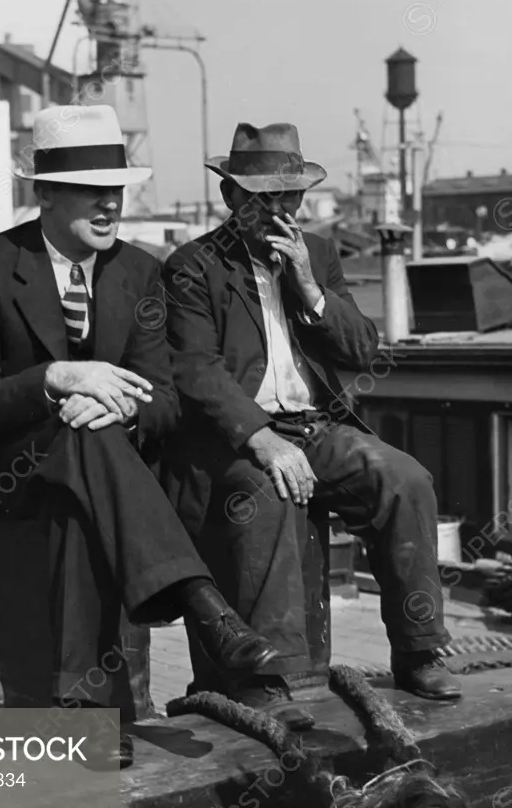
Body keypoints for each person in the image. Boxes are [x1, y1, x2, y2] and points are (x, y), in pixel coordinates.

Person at [0, 105, 279, 769]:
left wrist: (112, 409)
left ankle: (86, 715)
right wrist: (57, 379)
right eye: (92, 190)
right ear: (47, 194)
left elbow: (165, 401)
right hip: (8, 464)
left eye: (116, 190)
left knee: (89, 460)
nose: (110, 205)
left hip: (99, 467)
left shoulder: (140, 274)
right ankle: (205, 607)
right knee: (81, 443)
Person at [163, 120, 461, 720]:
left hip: (315, 427)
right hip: (238, 438)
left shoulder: (318, 255)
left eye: (289, 196)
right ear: (231, 197)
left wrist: (307, 287)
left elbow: (361, 351)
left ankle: (420, 649)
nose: (278, 210)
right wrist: (263, 439)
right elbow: (197, 370)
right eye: (261, 197)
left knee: (404, 480)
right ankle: (267, 677)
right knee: (266, 493)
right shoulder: (193, 266)